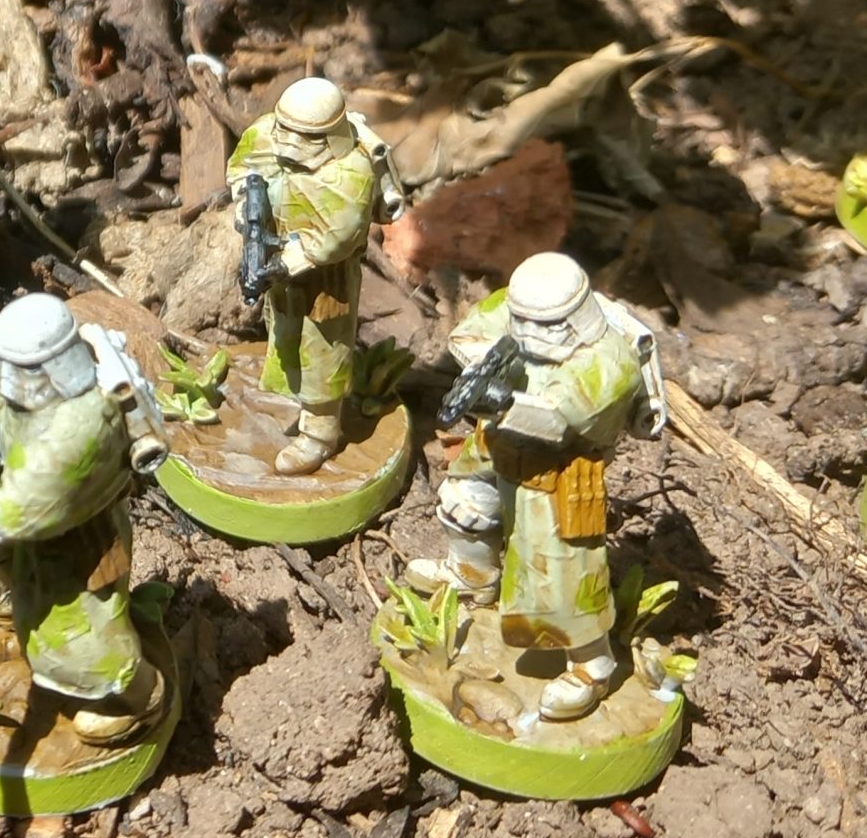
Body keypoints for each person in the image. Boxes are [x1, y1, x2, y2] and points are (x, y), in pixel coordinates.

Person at [411, 252, 666, 722]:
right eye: (523, 321)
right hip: (498, 444)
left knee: (564, 575)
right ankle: (473, 576)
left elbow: (556, 419)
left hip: (558, 473)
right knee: (464, 503)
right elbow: (468, 334)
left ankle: (591, 664)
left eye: (542, 325)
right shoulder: (519, 310)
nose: (529, 332)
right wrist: (485, 367)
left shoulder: (607, 362)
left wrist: (502, 400)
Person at [0, 295, 171, 746]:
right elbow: (3, 428)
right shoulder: (24, 386)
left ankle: (138, 694)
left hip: (77, 539)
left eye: (22, 367)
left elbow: (40, 494)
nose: (9, 376)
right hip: (19, 506)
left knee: (79, 628)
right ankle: (0, 600)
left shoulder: (86, 422)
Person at [226, 76, 407, 472]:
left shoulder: (350, 172)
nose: (290, 143)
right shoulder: (266, 134)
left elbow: (338, 236)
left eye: (305, 136)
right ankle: (295, 397)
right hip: (278, 269)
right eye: (286, 130)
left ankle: (321, 434)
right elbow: (242, 170)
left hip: (326, 279)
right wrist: (246, 207)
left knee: (324, 350)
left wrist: (288, 261)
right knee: (284, 335)